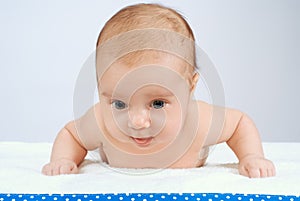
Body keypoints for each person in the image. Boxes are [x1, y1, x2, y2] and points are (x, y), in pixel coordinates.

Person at [42, 3, 275, 178]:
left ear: (190, 86)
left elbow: (239, 124)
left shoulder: (201, 122)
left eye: (157, 103)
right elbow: (71, 134)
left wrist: (251, 156)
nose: (137, 121)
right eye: (119, 104)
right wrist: (63, 160)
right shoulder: (101, 122)